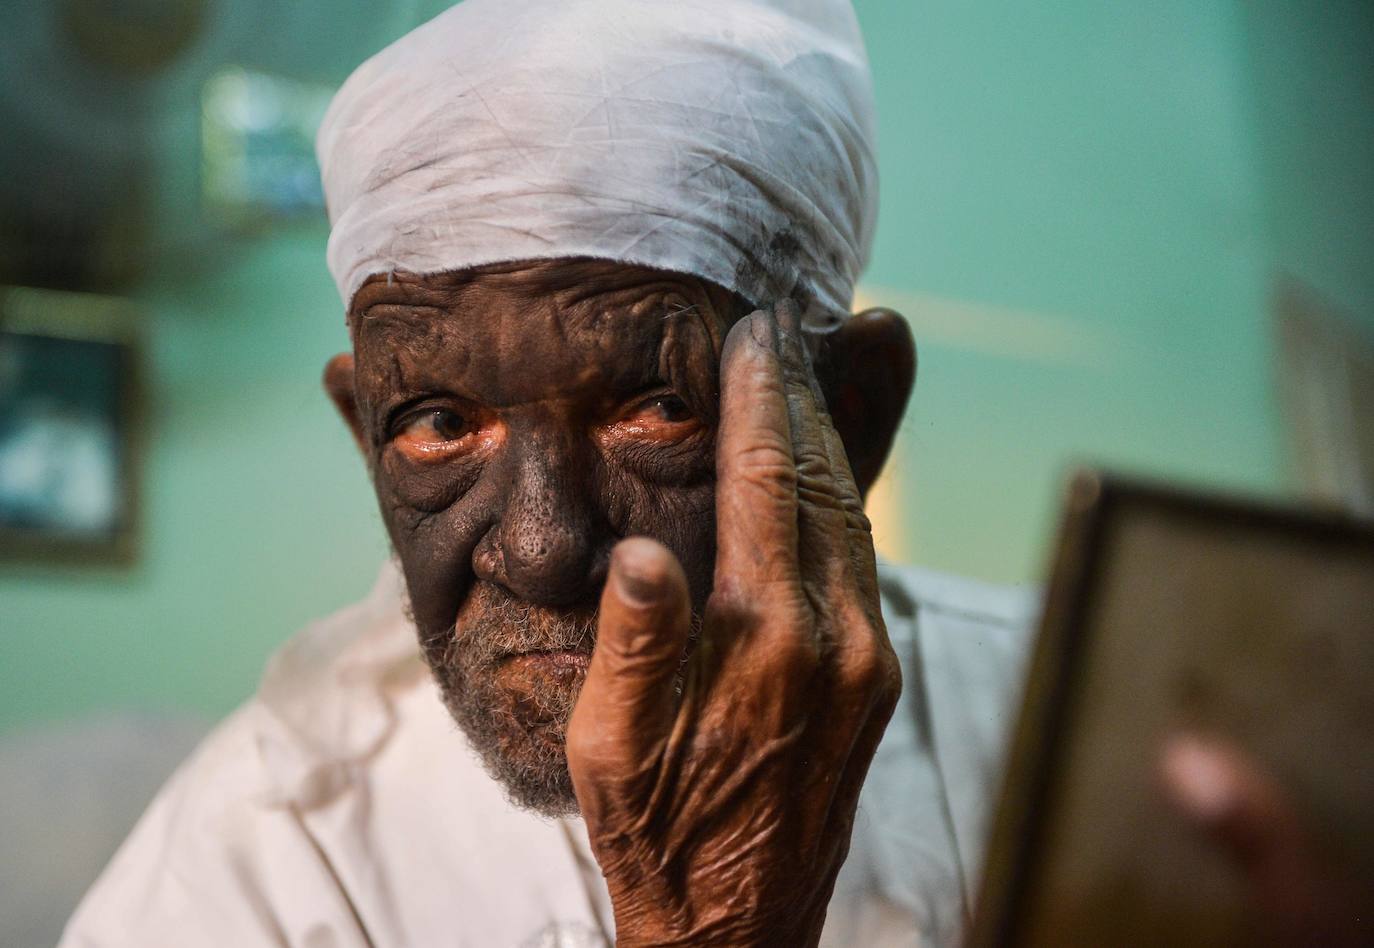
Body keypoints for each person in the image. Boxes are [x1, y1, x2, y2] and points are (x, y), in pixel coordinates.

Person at [62, 1, 1360, 945]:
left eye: (651, 408)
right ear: (366, 434)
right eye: (440, 424)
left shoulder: (1077, 736)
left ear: (847, 421)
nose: (542, 546)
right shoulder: (259, 865)